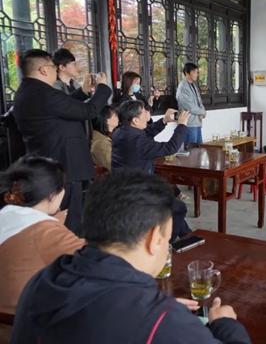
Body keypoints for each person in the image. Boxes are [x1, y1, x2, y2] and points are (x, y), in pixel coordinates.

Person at [9, 168, 251, 344]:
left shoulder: (41, 281)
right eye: (167, 237)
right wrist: (226, 324)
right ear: (154, 238)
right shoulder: (161, 322)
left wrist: (153, 305)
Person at [12, 49, 111, 235]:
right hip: (66, 165)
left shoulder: (28, 92)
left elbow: (64, 106)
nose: (55, 71)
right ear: (43, 70)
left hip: (51, 162)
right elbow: (88, 111)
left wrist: (83, 92)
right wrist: (103, 88)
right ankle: (70, 250)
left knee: (64, 219)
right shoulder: (45, 94)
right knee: (70, 221)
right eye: (53, 67)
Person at [0, 157, 84, 343]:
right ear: (51, 196)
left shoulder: (8, 215)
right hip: (25, 332)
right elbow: (96, 258)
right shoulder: (45, 231)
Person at [112, 100, 191, 242]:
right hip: (137, 194)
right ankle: (166, 244)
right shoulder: (136, 141)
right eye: (144, 111)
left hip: (125, 188)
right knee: (178, 208)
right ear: (135, 120)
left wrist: (164, 121)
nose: (148, 112)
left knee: (172, 208)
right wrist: (182, 126)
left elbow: (147, 133)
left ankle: (188, 236)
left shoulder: (121, 132)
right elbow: (170, 148)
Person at [176, 63, 206, 148]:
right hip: (189, 123)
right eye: (194, 72)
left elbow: (199, 101)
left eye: (197, 72)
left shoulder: (193, 85)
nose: (196, 74)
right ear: (187, 73)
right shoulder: (183, 86)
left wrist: (203, 111)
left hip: (197, 122)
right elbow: (191, 107)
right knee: (191, 150)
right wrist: (203, 112)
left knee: (199, 149)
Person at [90, 105, 119, 171]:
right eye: (115, 115)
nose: (118, 117)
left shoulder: (108, 137)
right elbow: (114, 166)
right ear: (106, 120)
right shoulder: (101, 143)